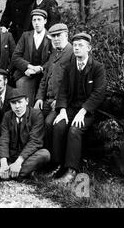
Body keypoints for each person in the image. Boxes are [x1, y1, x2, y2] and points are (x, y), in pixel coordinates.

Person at [52, 33, 106, 183]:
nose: (76, 48)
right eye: (74, 45)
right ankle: (57, 165)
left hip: (87, 111)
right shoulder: (70, 67)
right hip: (70, 108)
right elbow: (62, 91)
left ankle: (71, 171)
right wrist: (62, 111)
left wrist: (83, 111)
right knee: (58, 125)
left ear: (89, 48)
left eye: (80, 45)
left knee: (75, 129)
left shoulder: (97, 68)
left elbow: (98, 93)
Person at [0, 89, 50, 180]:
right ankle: (21, 173)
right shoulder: (8, 115)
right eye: (13, 103)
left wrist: (18, 163)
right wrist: (3, 163)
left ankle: (1, 173)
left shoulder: (36, 115)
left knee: (45, 154)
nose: (17, 106)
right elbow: (4, 139)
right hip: (10, 156)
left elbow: (34, 141)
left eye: (20, 102)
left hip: (26, 157)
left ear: (26, 101)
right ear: (10, 104)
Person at [34, 23, 73, 152]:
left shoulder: (72, 53)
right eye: (53, 36)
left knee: (49, 123)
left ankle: (52, 158)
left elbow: (72, 84)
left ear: (66, 35)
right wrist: (39, 98)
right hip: (46, 100)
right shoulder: (54, 54)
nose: (56, 39)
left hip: (60, 101)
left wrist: (60, 101)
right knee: (32, 118)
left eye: (58, 35)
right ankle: (35, 155)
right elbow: (45, 78)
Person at [11, 9, 52, 106]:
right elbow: (15, 57)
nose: (36, 23)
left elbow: (53, 59)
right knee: (24, 98)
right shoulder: (26, 36)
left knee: (43, 103)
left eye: (39, 20)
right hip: (26, 74)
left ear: (45, 21)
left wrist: (40, 69)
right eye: (34, 20)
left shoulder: (50, 37)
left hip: (44, 75)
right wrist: (29, 67)